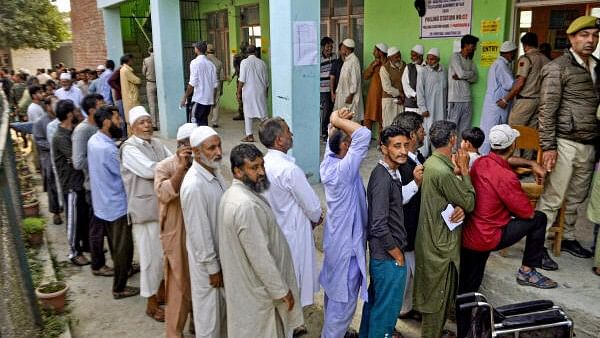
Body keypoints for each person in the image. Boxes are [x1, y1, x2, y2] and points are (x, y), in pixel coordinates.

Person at [460, 124, 558, 294]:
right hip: (489, 236)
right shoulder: (507, 176)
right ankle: (527, 271)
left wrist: (530, 163)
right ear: (513, 146)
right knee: (538, 218)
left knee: (469, 284)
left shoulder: (480, 162)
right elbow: (526, 212)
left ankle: (462, 310)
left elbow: (504, 161)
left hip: (469, 234)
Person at [218, 144, 303, 337]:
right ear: (237, 172)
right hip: (258, 295)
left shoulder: (238, 196)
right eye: (254, 168)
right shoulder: (246, 205)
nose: (262, 172)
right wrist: (282, 291)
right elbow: (261, 258)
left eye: (262, 165)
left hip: (249, 290)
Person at [536, 16, 599, 259]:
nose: (590, 40)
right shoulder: (557, 68)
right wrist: (548, 146)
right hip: (564, 143)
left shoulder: (597, 67)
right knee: (553, 196)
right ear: (571, 38)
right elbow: (547, 110)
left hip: (588, 143)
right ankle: (537, 245)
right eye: (584, 35)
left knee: (576, 198)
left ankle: (568, 236)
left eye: (594, 35)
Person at [260, 118, 322, 336]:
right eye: (288, 132)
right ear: (279, 141)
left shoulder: (263, 165)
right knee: (292, 285)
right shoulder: (289, 170)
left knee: (280, 286)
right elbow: (314, 208)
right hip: (293, 236)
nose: (291, 135)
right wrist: (316, 218)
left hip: (274, 234)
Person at [413, 120, 474, 338]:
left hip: (430, 239)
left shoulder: (432, 163)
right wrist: (465, 172)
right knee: (436, 301)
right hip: (440, 245)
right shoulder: (443, 172)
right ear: (452, 140)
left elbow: (453, 199)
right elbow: (469, 201)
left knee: (435, 298)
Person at [319, 108, 370, 338]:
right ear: (346, 148)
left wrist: (337, 121)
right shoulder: (344, 171)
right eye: (349, 142)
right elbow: (364, 135)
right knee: (343, 305)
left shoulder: (328, 161)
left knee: (334, 299)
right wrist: (337, 119)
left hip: (336, 244)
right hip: (346, 250)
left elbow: (336, 135)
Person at [359, 125, 413, 338]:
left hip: (385, 256)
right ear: (383, 148)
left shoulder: (392, 172)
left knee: (376, 306)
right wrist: (397, 255)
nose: (403, 151)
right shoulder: (382, 178)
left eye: (405, 145)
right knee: (385, 314)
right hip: (388, 257)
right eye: (396, 146)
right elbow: (378, 224)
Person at [120, 106, 171, 321]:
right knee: (150, 259)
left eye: (148, 121)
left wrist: (171, 165)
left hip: (161, 208)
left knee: (162, 256)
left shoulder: (156, 143)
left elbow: (172, 160)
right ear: (132, 128)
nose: (147, 125)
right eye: (142, 122)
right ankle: (151, 304)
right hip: (144, 211)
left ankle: (160, 293)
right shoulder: (129, 148)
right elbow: (150, 170)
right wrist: (171, 167)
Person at [88, 105, 139, 299]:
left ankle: (125, 269)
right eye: (117, 119)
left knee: (115, 243)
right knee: (122, 248)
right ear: (107, 122)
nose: (120, 123)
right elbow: (123, 174)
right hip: (116, 205)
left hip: (103, 203)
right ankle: (119, 288)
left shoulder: (95, 141)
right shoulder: (107, 150)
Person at [180, 126, 227, 337]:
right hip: (209, 267)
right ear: (197, 152)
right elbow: (198, 231)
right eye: (211, 148)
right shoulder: (194, 185)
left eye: (219, 145)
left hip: (222, 258)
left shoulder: (215, 172)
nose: (218, 152)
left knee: (223, 316)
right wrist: (212, 267)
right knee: (209, 320)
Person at [155, 123, 196, 338]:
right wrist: (181, 168)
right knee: (179, 285)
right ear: (181, 145)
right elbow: (164, 194)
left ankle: (197, 325)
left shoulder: (203, 165)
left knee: (201, 282)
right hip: (177, 233)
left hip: (198, 234)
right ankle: (174, 333)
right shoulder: (165, 166)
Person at [73, 93, 112, 276]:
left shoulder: (98, 127)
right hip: (92, 186)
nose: (104, 107)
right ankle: (98, 265)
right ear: (92, 110)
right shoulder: (82, 131)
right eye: (101, 105)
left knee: (106, 227)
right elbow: (78, 162)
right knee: (97, 228)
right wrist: (99, 158)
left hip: (104, 185)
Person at [392, 112, 425, 319]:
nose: (425, 133)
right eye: (421, 130)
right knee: (399, 281)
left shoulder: (418, 158)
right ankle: (391, 320)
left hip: (413, 232)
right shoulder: (399, 166)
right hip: (402, 234)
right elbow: (396, 199)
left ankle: (405, 310)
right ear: (412, 135)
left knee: (411, 277)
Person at [52, 99, 90, 266]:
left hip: (79, 182)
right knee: (73, 219)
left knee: (82, 217)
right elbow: (75, 160)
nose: (77, 113)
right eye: (75, 110)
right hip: (71, 185)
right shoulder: (60, 137)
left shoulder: (72, 132)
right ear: (69, 114)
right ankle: (74, 252)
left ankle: (85, 245)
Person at [479, 41, 517, 155]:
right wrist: (520, 81)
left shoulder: (498, 63)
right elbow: (510, 84)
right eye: (514, 53)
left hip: (493, 105)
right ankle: (485, 160)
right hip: (496, 106)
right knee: (492, 134)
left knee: (489, 133)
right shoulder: (501, 65)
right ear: (509, 53)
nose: (514, 56)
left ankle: (485, 160)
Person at [506, 33, 550, 128]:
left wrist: (506, 99)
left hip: (525, 101)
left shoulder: (526, 59)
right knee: (531, 133)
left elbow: (520, 83)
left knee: (513, 129)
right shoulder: (547, 60)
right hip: (539, 102)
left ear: (525, 45)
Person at [32, 97, 62, 225]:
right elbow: (39, 140)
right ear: (48, 106)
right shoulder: (40, 122)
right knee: (52, 184)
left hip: (61, 156)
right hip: (48, 157)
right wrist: (53, 146)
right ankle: (56, 212)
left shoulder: (61, 119)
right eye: (54, 104)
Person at [447, 34, 479, 148]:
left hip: (467, 99)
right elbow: (461, 73)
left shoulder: (470, 61)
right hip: (455, 98)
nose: (474, 48)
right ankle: (451, 153)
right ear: (465, 45)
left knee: (465, 130)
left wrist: (463, 76)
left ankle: (461, 152)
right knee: (452, 128)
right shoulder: (455, 57)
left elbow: (475, 78)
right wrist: (466, 75)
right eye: (473, 45)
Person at [416, 48, 447, 157]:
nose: (430, 61)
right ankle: (423, 156)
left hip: (441, 109)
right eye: (428, 59)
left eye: (432, 59)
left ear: (438, 59)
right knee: (427, 132)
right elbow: (419, 91)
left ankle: (437, 155)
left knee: (439, 132)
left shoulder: (443, 70)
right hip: (428, 110)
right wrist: (423, 108)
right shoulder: (423, 71)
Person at [181, 41, 218, 127]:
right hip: (208, 100)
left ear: (196, 50)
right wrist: (214, 99)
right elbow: (215, 85)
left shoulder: (194, 63)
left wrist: (185, 97)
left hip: (199, 99)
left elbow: (192, 83)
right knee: (204, 123)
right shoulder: (211, 64)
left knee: (194, 124)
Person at [237, 45, 269, 142]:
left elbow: (241, 79)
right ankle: (269, 134)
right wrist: (266, 93)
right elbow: (267, 81)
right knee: (263, 114)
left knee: (248, 113)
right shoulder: (262, 63)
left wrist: (238, 92)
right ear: (256, 52)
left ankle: (249, 135)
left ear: (246, 53)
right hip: (260, 91)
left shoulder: (244, 62)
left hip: (248, 92)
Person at [334, 39, 364, 122]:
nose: (341, 48)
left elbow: (355, 81)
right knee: (342, 120)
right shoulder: (347, 60)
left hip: (349, 97)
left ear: (347, 49)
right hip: (343, 96)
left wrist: (350, 95)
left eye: (343, 47)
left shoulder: (354, 61)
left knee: (350, 121)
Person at [363, 43, 388, 131]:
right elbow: (365, 76)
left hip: (383, 95)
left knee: (382, 119)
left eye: (375, 51)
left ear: (380, 52)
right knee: (368, 118)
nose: (373, 52)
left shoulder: (388, 64)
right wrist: (373, 66)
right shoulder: (374, 63)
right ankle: (365, 140)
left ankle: (381, 143)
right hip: (372, 96)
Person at [380, 47, 406, 128]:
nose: (399, 59)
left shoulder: (404, 65)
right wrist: (399, 93)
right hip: (389, 100)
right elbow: (387, 87)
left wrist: (403, 96)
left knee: (401, 125)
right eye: (396, 57)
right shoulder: (384, 68)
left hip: (402, 100)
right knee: (389, 125)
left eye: (399, 56)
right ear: (389, 58)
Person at [320, 37, 336, 139]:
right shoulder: (318, 58)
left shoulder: (334, 57)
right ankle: (324, 133)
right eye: (328, 46)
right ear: (323, 47)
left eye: (331, 46)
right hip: (323, 89)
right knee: (326, 111)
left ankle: (331, 131)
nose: (330, 48)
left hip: (333, 89)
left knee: (332, 110)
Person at [206, 44, 225, 128]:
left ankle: (204, 120)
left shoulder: (204, 61)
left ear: (206, 51)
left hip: (206, 83)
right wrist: (222, 89)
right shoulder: (219, 62)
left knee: (205, 102)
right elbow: (221, 78)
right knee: (216, 103)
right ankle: (215, 122)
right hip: (216, 84)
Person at [120, 54, 141, 125]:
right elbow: (137, 80)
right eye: (132, 60)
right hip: (131, 97)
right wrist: (139, 80)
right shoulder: (126, 70)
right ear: (128, 61)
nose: (133, 61)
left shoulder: (124, 69)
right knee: (134, 118)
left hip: (129, 96)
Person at [402, 44, 425, 113]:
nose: (411, 58)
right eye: (411, 55)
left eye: (413, 56)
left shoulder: (427, 67)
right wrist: (415, 95)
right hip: (411, 105)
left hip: (425, 105)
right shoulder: (408, 67)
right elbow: (405, 84)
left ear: (420, 56)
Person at [232, 41, 249, 121]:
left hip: (243, 78)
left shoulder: (239, 56)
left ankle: (244, 113)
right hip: (244, 78)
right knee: (241, 96)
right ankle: (243, 113)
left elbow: (236, 67)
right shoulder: (240, 56)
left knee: (242, 95)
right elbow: (236, 67)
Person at [143, 47, 159, 128]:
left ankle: (154, 124)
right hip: (159, 84)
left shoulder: (146, 60)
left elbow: (143, 72)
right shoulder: (159, 59)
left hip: (150, 83)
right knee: (160, 103)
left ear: (149, 51)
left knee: (152, 105)